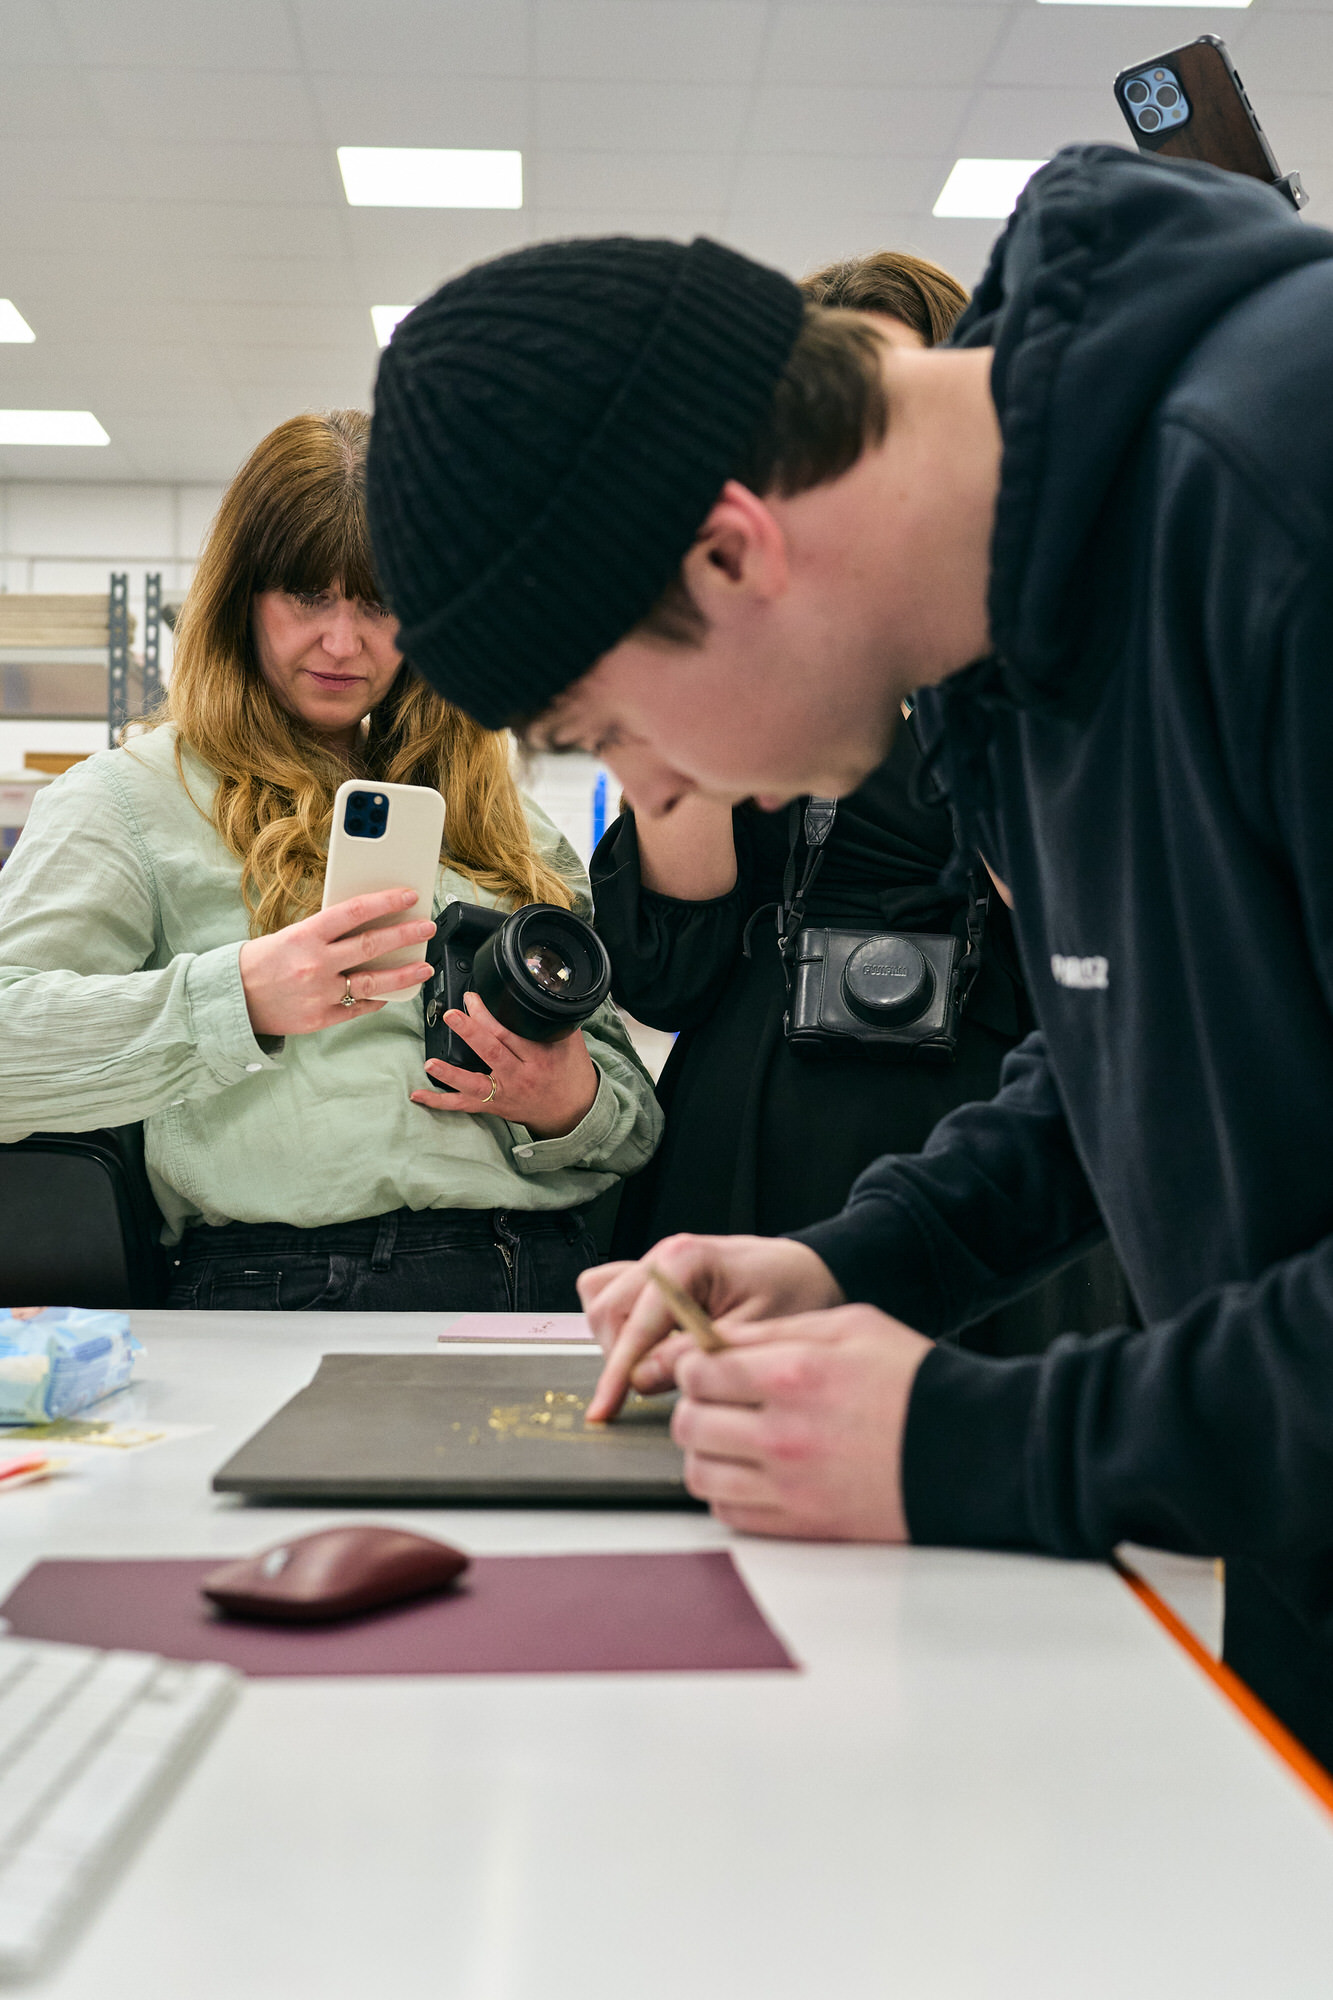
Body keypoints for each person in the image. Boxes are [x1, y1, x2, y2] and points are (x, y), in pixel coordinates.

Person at [364, 146, 1333, 1768]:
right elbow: (1135, 1067)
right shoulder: (995, 648)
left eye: (609, 734)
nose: (661, 795)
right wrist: (843, 1261)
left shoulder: (1278, 484)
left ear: (732, 552)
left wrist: (973, 1440)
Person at [589, 248, 1132, 1357]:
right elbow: (668, 968)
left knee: (988, 1471)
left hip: (1002, 1125)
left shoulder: (1047, 633)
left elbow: (1087, 943)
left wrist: (967, 642)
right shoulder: (750, 641)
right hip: (756, 1124)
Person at [0, 411, 661, 1312]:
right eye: (308, 596)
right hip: (292, 1283)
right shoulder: (133, 797)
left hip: (549, 1275)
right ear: (242, 599)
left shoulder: (499, 820)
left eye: (381, 602)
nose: (344, 643)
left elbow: (630, 1119)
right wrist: (237, 999)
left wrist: (565, 1098)